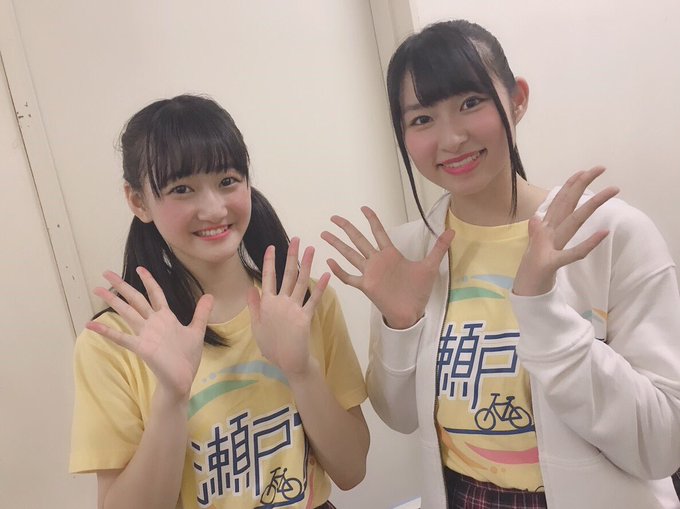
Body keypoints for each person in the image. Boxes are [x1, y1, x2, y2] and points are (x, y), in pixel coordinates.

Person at [321, 19, 680, 509]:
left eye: (470, 102)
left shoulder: (608, 235)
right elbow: (402, 417)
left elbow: (664, 442)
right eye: (422, 119)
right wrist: (401, 325)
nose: (451, 138)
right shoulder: (411, 252)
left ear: (517, 100)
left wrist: (542, 310)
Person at [69, 94, 369, 509]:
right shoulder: (116, 341)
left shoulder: (301, 303)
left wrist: (302, 371)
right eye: (182, 189)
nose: (213, 208)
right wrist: (171, 398)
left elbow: (352, 470)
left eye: (227, 180)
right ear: (138, 201)